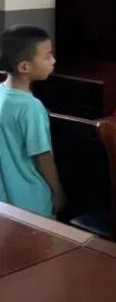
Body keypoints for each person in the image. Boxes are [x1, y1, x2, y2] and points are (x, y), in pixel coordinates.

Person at [0, 26, 65, 217]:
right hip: (32, 202)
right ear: (24, 67)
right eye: (47, 56)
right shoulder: (31, 107)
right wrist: (58, 192)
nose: (53, 61)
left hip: (5, 202)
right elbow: (43, 157)